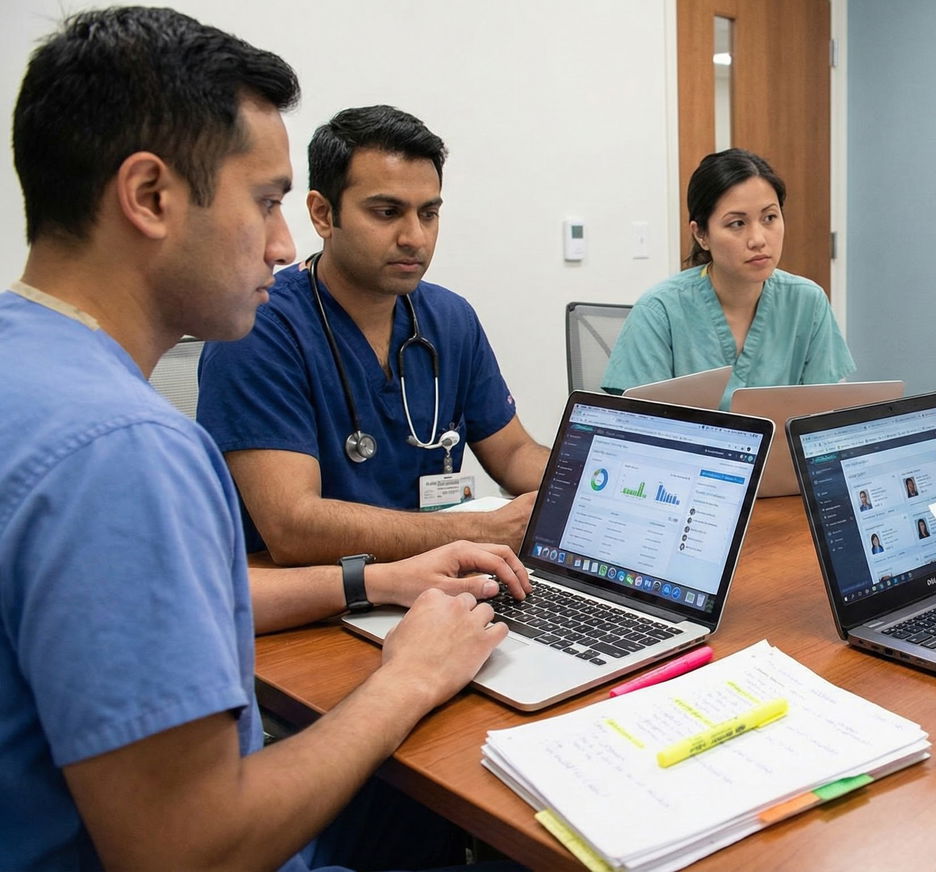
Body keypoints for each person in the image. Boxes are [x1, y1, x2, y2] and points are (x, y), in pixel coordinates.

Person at [0, 9, 525, 869]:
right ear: (149, 197)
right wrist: (411, 676)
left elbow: (158, 610)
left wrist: (377, 576)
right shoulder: (124, 450)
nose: (284, 246)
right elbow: (192, 849)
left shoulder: (25, 367)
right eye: (267, 202)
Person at [197, 105, 550, 565]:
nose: (415, 237)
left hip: (436, 583)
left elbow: (514, 452)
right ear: (323, 214)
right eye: (387, 212)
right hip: (314, 606)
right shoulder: (259, 328)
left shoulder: (450, 319)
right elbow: (292, 527)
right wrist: (479, 530)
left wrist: (584, 488)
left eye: (429, 214)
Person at [601, 148, 855, 410]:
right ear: (701, 234)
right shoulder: (660, 310)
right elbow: (636, 425)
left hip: (783, 452)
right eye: (737, 223)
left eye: (769, 218)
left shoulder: (806, 301)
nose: (758, 239)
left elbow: (825, 413)